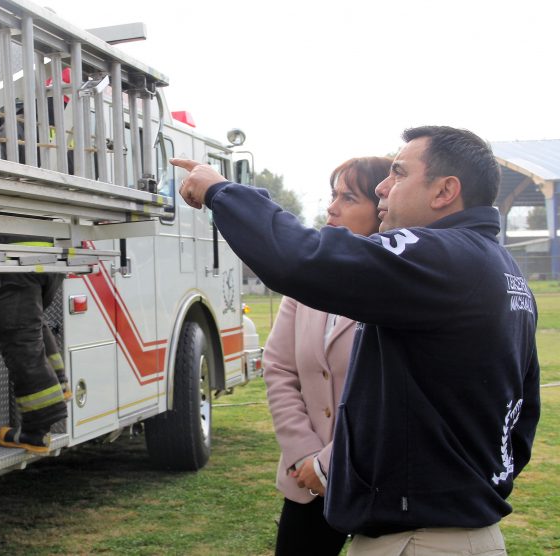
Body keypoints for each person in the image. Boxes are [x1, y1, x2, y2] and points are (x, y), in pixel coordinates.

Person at [172, 126, 540, 555]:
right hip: (456, 529)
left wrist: (221, 191)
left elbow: (301, 258)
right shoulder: (502, 269)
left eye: (399, 174)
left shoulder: (440, 257)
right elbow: (521, 420)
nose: (384, 186)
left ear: (445, 191)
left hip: (420, 539)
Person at [265, 156, 391, 555]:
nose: (332, 207)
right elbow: (278, 368)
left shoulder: (399, 288)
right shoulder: (306, 284)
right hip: (306, 484)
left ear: (381, 210)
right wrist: (305, 455)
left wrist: (328, 464)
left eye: (348, 197)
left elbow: (392, 398)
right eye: (332, 195)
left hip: (378, 482)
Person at [0, 237, 70, 454]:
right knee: (30, 327)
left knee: (19, 336)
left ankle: (36, 431)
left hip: (19, 257)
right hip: (45, 256)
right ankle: (60, 386)